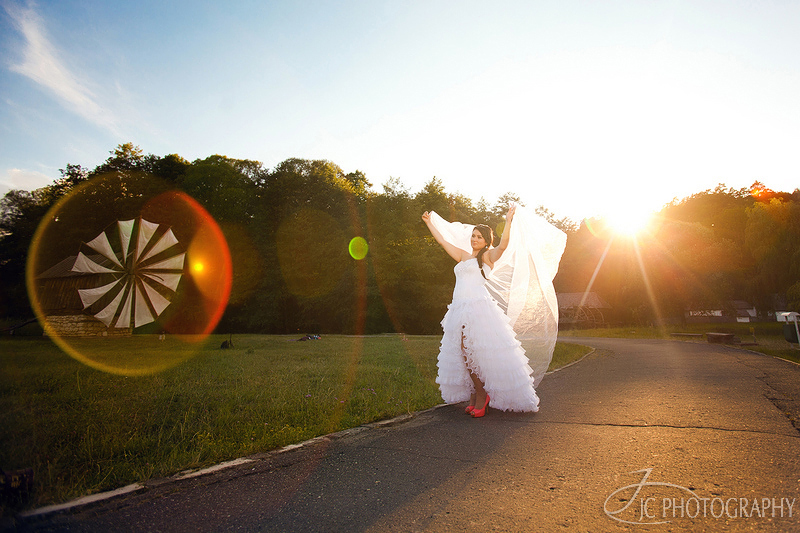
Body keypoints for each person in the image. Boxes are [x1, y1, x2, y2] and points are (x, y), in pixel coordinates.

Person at [422, 203, 564, 417]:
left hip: (478, 309)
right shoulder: (463, 256)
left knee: (475, 354)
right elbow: (443, 240)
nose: (474, 239)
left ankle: (482, 394)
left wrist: (508, 221)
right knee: (464, 354)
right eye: (473, 236)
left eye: (479, 237)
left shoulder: (487, 257)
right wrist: (430, 223)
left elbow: (504, 245)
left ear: (487, 241)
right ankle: (475, 394)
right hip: (459, 308)